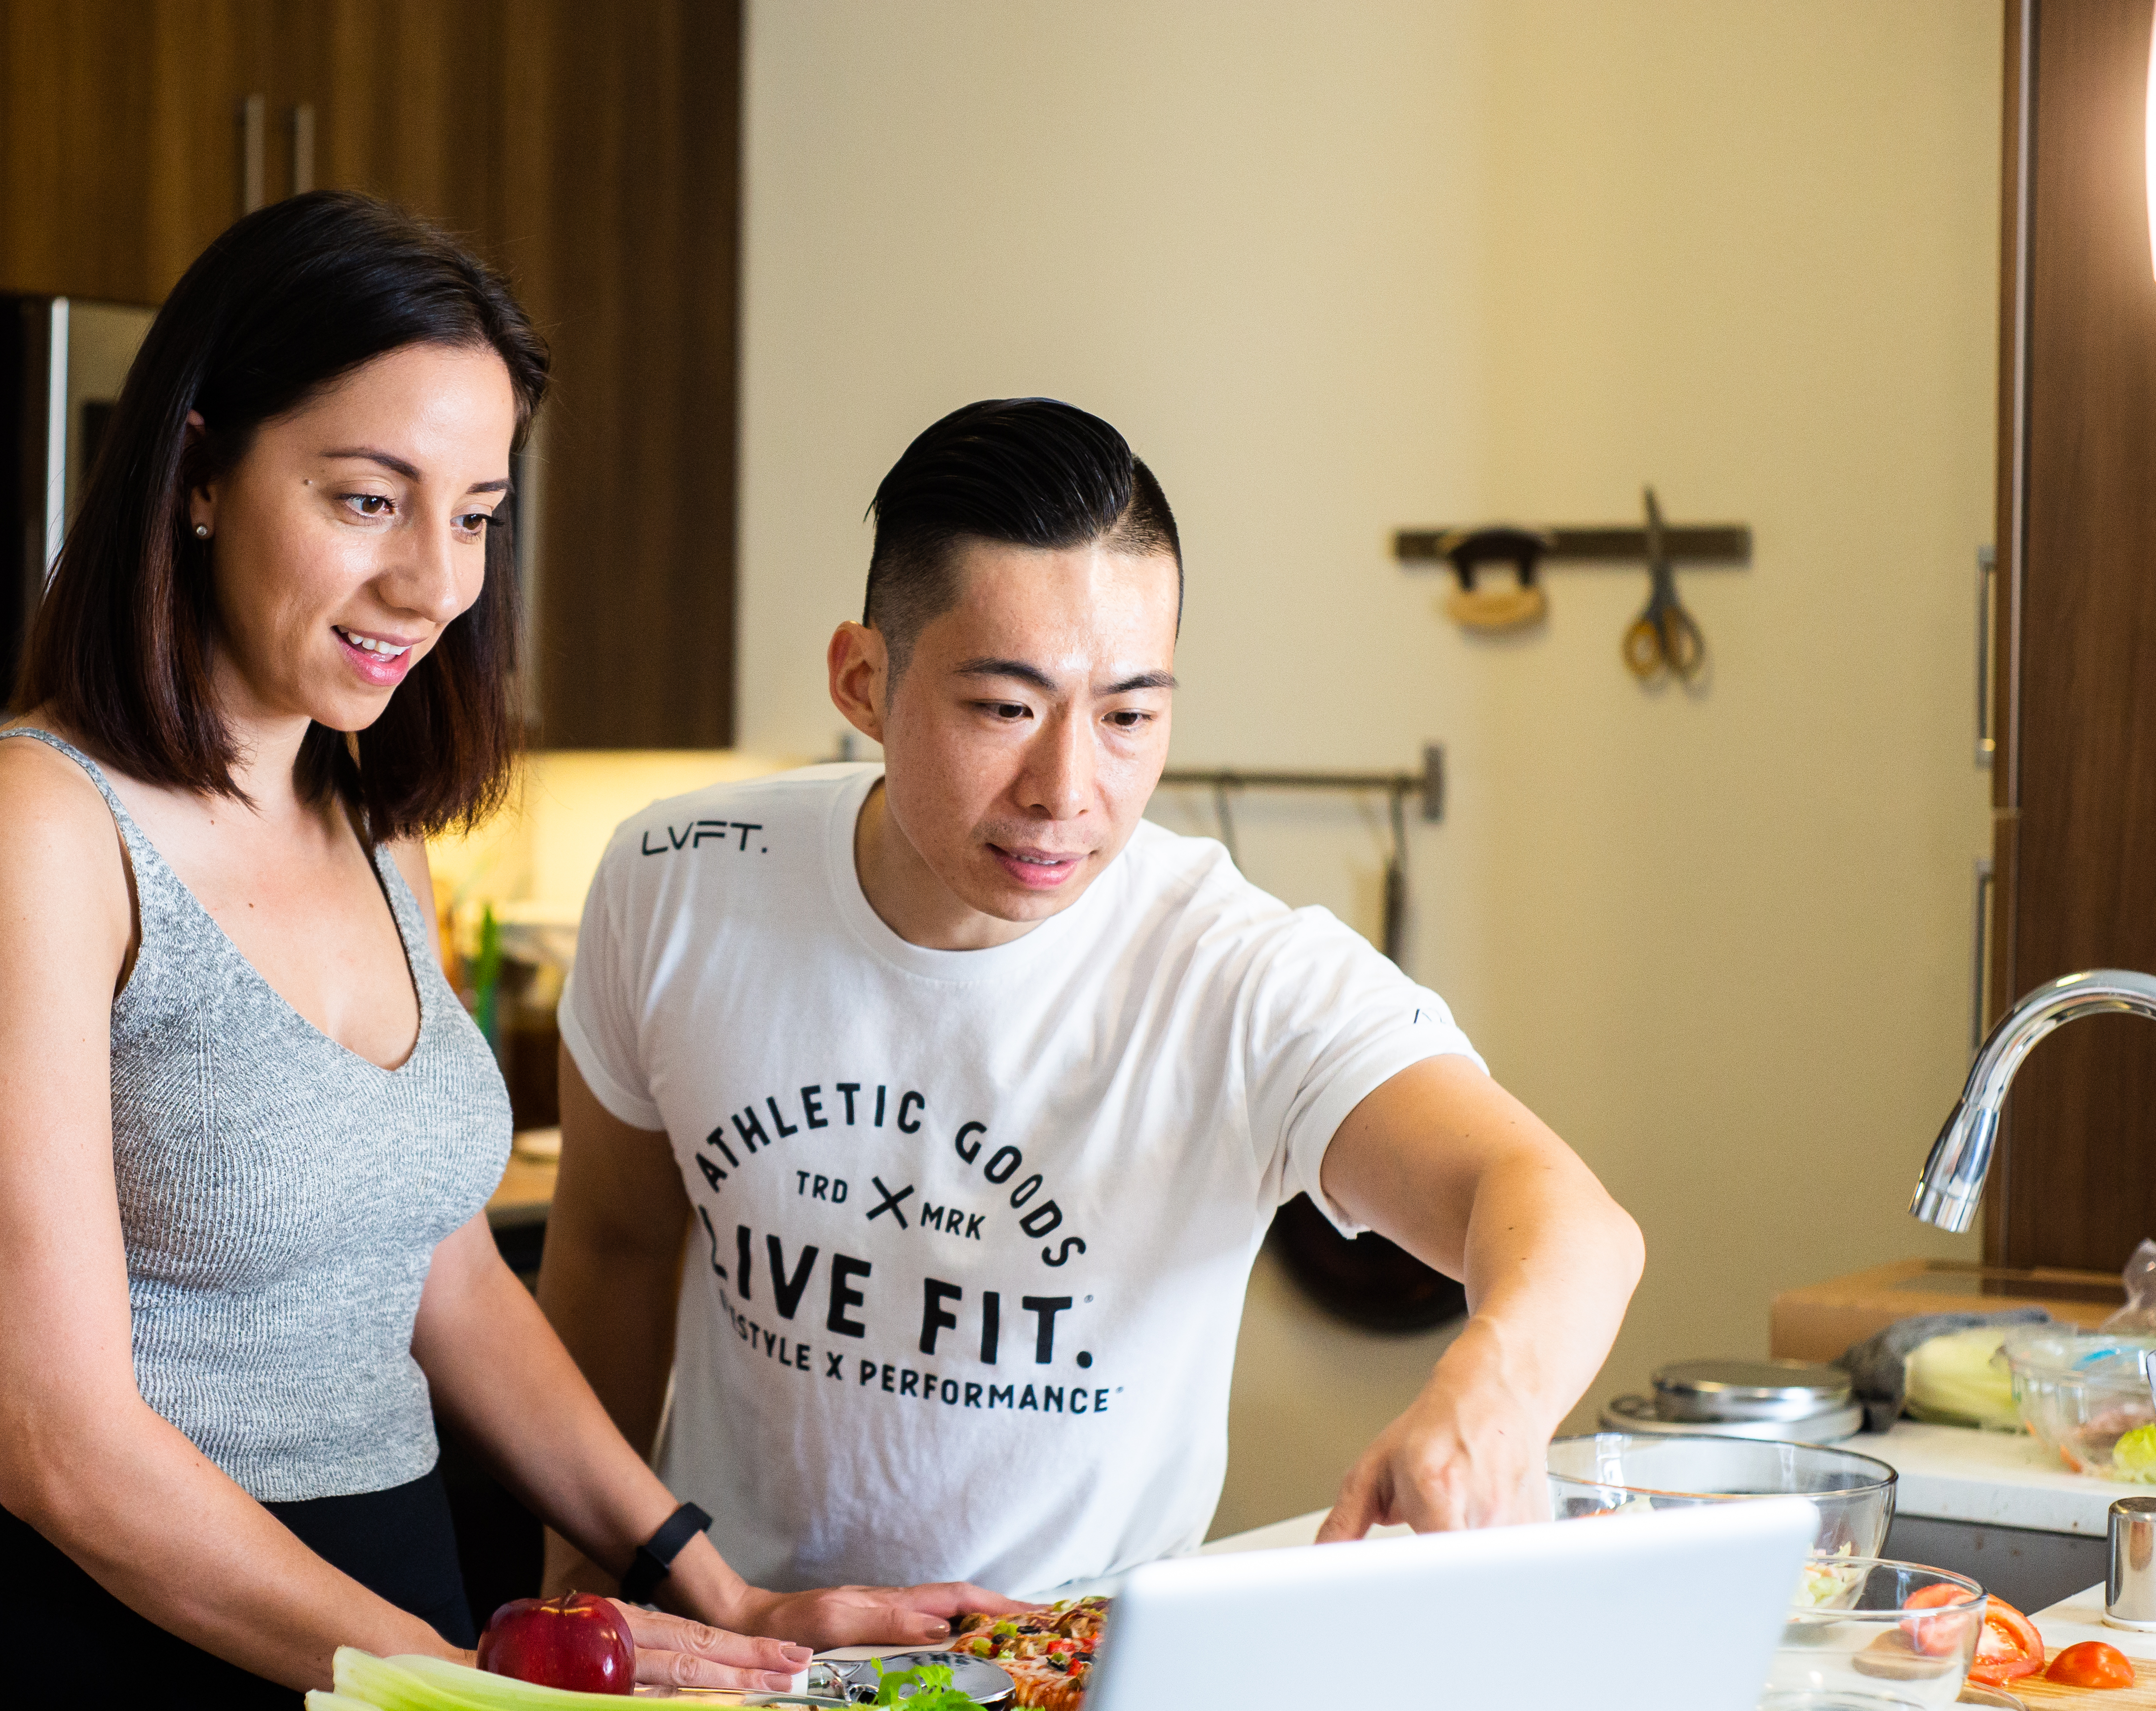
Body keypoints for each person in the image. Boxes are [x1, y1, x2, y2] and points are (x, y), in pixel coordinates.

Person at [0, 194, 1013, 1711]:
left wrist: (703, 1574)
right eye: (364, 497)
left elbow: (442, 1267)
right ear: (192, 469)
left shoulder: (360, 812)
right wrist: (472, 1684)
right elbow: (63, 1449)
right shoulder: (28, 825)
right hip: (100, 1676)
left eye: (472, 513)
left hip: (377, 1642)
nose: (432, 578)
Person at [538, 398, 1643, 1603]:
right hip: (722, 1654)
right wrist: (580, 1610)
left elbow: (1566, 1220)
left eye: (1127, 715)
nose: (1067, 787)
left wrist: (1489, 1389)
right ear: (864, 679)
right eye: (1005, 708)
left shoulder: (1234, 974)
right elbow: (613, 1245)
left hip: (1066, 1687)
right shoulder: (679, 877)